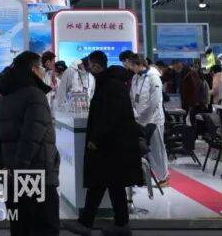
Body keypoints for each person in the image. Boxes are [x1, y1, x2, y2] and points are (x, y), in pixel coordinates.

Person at [64, 51, 144, 236]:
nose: (88, 69)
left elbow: (110, 116)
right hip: (112, 145)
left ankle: (90, 223)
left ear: (97, 66)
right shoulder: (109, 82)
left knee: (102, 182)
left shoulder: (111, 85)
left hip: (110, 145)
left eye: (90, 65)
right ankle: (118, 224)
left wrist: (96, 138)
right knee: (110, 184)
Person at [0, 51, 60, 236]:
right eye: (41, 67)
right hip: (36, 173)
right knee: (45, 226)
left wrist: (0, 168)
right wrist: (20, 168)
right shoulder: (35, 95)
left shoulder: (6, 95)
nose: (44, 71)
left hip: (12, 177)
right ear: (33, 69)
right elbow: (32, 136)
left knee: (20, 226)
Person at [128, 55, 168, 186]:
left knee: (157, 149)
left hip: (154, 119)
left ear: (139, 64)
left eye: (132, 65)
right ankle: (145, 176)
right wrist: (135, 114)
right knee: (144, 149)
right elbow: (132, 97)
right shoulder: (135, 77)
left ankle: (164, 177)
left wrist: (144, 117)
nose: (130, 68)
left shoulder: (154, 77)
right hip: (139, 119)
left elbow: (155, 101)